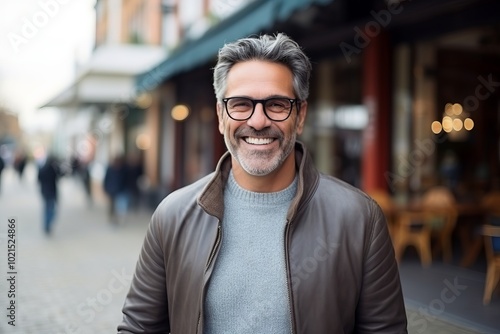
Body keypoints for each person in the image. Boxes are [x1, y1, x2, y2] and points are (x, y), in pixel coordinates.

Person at [118, 33, 407, 333]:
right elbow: (139, 328)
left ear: (300, 115)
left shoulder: (360, 219)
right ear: (220, 115)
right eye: (241, 104)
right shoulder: (172, 215)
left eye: (277, 104)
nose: (258, 121)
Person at [37, 154, 62, 235]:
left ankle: (47, 224)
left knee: (47, 208)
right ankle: (47, 224)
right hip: (51, 191)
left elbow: (38, 179)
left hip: (45, 191)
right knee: (50, 209)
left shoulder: (43, 168)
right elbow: (59, 176)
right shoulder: (52, 169)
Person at [103, 155, 128, 223]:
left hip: (120, 190)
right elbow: (106, 179)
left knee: (119, 206)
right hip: (111, 190)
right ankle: (112, 218)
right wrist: (105, 188)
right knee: (112, 206)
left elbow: (125, 180)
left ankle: (118, 218)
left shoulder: (123, 170)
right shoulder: (110, 169)